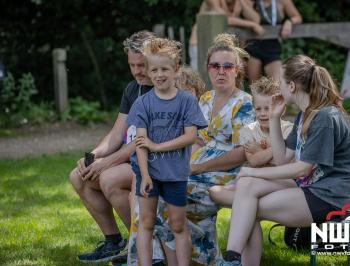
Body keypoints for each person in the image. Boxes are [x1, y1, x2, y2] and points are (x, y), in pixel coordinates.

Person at [218, 55, 350, 265]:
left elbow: (302, 169)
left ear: (292, 86)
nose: (278, 87)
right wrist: (275, 117)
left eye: (281, 82)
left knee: (249, 208)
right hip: (312, 188)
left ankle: (232, 259)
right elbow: (282, 159)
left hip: (330, 197)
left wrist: (254, 171)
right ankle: (232, 257)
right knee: (246, 187)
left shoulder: (324, 117)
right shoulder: (305, 115)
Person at [127, 33, 255, 266]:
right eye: (215, 65)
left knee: (169, 201)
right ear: (208, 68)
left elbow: (242, 152)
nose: (221, 71)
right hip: (194, 167)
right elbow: (194, 139)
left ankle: (196, 260)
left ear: (237, 70)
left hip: (228, 173)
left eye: (228, 66)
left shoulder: (244, 103)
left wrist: (198, 167)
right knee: (153, 197)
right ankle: (158, 259)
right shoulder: (205, 99)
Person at [69, 31, 155, 263]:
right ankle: (114, 241)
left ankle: (143, 245)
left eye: (142, 65)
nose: (137, 71)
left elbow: (141, 143)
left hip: (150, 161)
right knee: (78, 176)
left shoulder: (162, 88)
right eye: (132, 65)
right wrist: (93, 156)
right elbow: (117, 133)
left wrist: (107, 162)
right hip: (129, 159)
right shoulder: (132, 89)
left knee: (108, 179)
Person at [127, 37, 208, 266]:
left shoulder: (186, 101)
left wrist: (157, 146)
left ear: (176, 70)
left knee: (178, 224)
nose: (159, 74)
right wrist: (145, 175)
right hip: (149, 173)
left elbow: (191, 136)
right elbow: (141, 144)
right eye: (154, 69)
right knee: (146, 223)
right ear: (149, 72)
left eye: (165, 69)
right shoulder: (142, 104)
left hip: (175, 174)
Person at [208, 76, 293, 266]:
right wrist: (275, 148)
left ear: (280, 107)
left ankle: (233, 259)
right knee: (215, 192)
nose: (263, 113)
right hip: (256, 184)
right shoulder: (249, 130)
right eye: (258, 108)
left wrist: (264, 149)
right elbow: (253, 161)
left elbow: (284, 165)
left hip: (282, 184)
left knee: (244, 205)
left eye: (267, 108)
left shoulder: (288, 130)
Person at [189, 0, 265, 70]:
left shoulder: (239, 2)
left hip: (222, 48)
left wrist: (242, 2)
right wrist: (252, 25)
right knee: (200, 80)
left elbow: (256, 19)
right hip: (201, 44)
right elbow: (224, 19)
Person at [245, 0, 302, 81]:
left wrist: (289, 22)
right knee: (254, 87)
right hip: (253, 46)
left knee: (277, 84)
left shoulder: (283, 2)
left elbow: (298, 17)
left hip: (273, 48)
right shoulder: (251, 2)